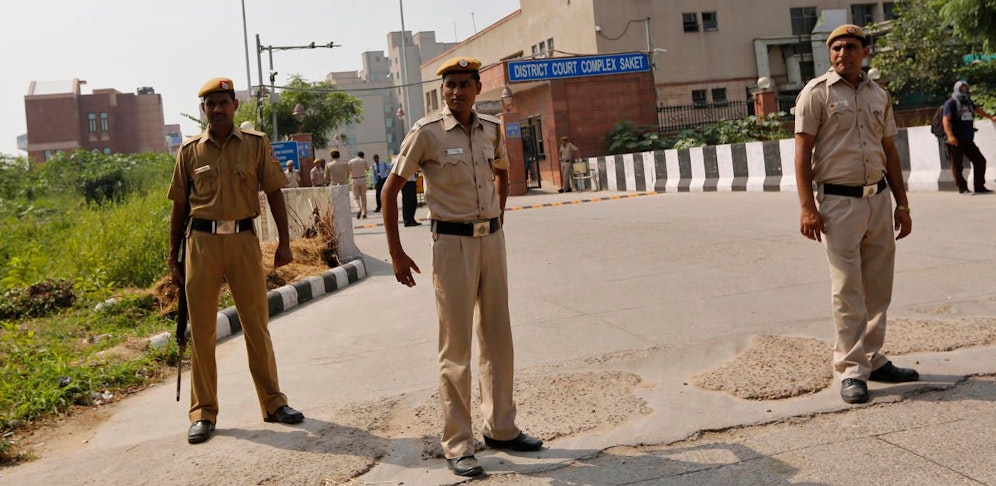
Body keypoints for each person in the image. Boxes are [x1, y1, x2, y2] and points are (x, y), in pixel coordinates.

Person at [380, 56, 542, 478]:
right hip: (450, 245)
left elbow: (503, 173)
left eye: (463, 84)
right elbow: (390, 190)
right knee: (456, 348)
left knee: (498, 338)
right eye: (449, 85)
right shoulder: (426, 133)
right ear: (443, 90)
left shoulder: (490, 129)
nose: (456, 92)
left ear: (476, 87)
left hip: (491, 241)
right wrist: (396, 252)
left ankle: (502, 428)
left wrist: (498, 217)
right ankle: (457, 442)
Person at [167, 77, 304, 445]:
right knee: (203, 332)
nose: (217, 109)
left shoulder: (256, 145)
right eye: (210, 104)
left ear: (234, 105)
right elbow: (180, 206)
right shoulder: (190, 152)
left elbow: (274, 192)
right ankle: (203, 413)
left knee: (256, 325)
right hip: (201, 244)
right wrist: (172, 259)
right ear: (203, 110)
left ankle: (274, 403)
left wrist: (285, 243)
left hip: (244, 240)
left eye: (223, 102)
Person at [793, 25, 918, 405]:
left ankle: (874, 359)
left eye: (850, 46)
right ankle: (850, 368)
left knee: (878, 286)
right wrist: (807, 207)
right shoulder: (816, 94)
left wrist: (903, 203)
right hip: (837, 204)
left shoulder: (879, 94)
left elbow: (890, 152)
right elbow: (801, 154)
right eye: (835, 48)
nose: (842, 53)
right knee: (848, 288)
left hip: (878, 200)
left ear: (865, 52)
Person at [942, 80, 996, 195]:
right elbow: (945, 120)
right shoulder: (951, 103)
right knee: (957, 165)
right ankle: (963, 188)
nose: (965, 91)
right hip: (955, 140)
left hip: (967, 139)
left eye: (966, 88)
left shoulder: (968, 103)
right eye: (962, 88)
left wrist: (990, 117)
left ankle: (979, 186)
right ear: (957, 89)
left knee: (980, 161)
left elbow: (977, 110)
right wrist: (950, 136)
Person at [348, 151, 371, 218]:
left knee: (356, 197)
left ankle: (358, 209)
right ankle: (364, 213)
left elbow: (349, 170)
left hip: (354, 179)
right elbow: (368, 169)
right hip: (362, 179)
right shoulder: (363, 161)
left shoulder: (351, 161)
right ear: (362, 155)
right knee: (363, 197)